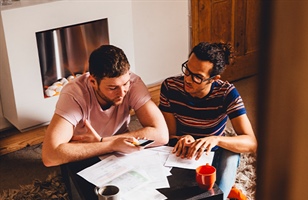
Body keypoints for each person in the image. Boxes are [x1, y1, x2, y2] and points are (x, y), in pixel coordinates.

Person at [42, 45, 169, 167]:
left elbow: (162, 134)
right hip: (83, 151)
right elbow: (50, 156)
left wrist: (104, 141)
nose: (122, 93)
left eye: (125, 84)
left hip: (121, 150)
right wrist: (110, 145)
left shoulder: (134, 83)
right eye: (112, 88)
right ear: (93, 81)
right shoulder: (74, 94)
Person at [159, 42, 257, 199]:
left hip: (217, 151)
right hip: (184, 151)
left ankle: (227, 189)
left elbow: (251, 143)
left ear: (214, 79)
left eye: (197, 77)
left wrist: (216, 140)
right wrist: (181, 138)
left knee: (219, 193)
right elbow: (168, 136)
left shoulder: (227, 93)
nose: (188, 79)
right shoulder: (170, 87)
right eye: (187, 70)